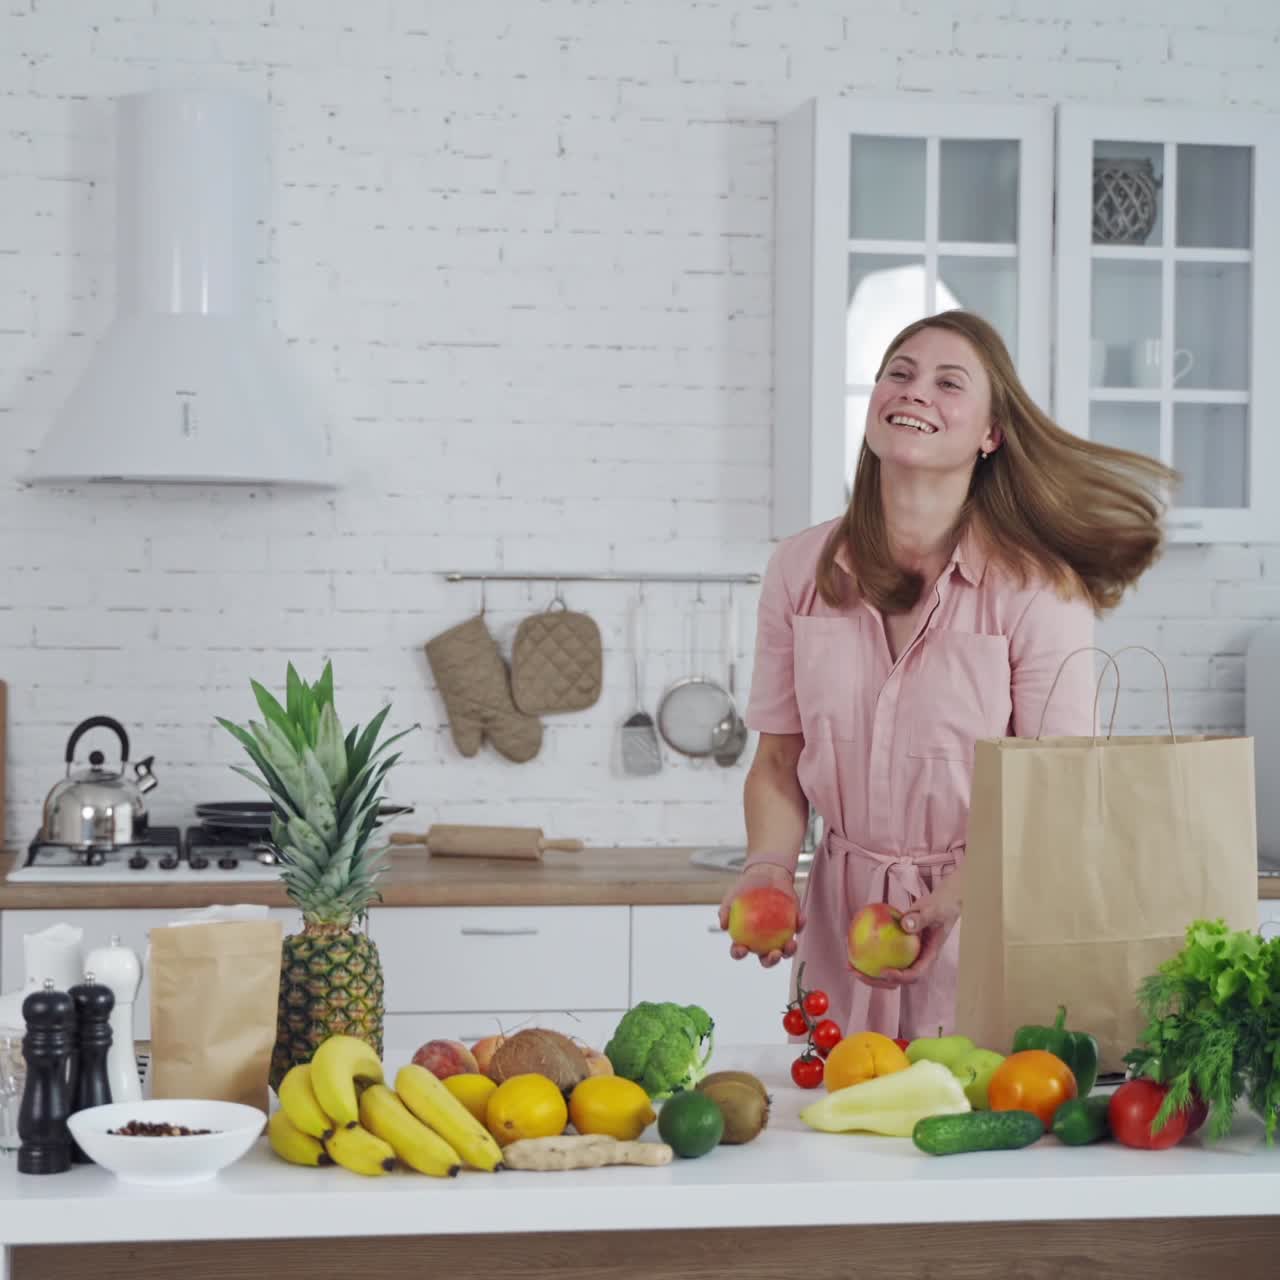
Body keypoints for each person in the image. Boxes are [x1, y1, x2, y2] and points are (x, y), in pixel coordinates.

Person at [719, 309, 1174, 1042]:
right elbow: (777, 761)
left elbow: (1055, 793)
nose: (913, 390)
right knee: (838, 1137)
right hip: (842, 938)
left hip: (989, 926)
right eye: (897, 372)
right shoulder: (799, 570)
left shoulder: (1037, 592)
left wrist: (947, 903)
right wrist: (768, 868)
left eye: (947, 382)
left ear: (990, 434)